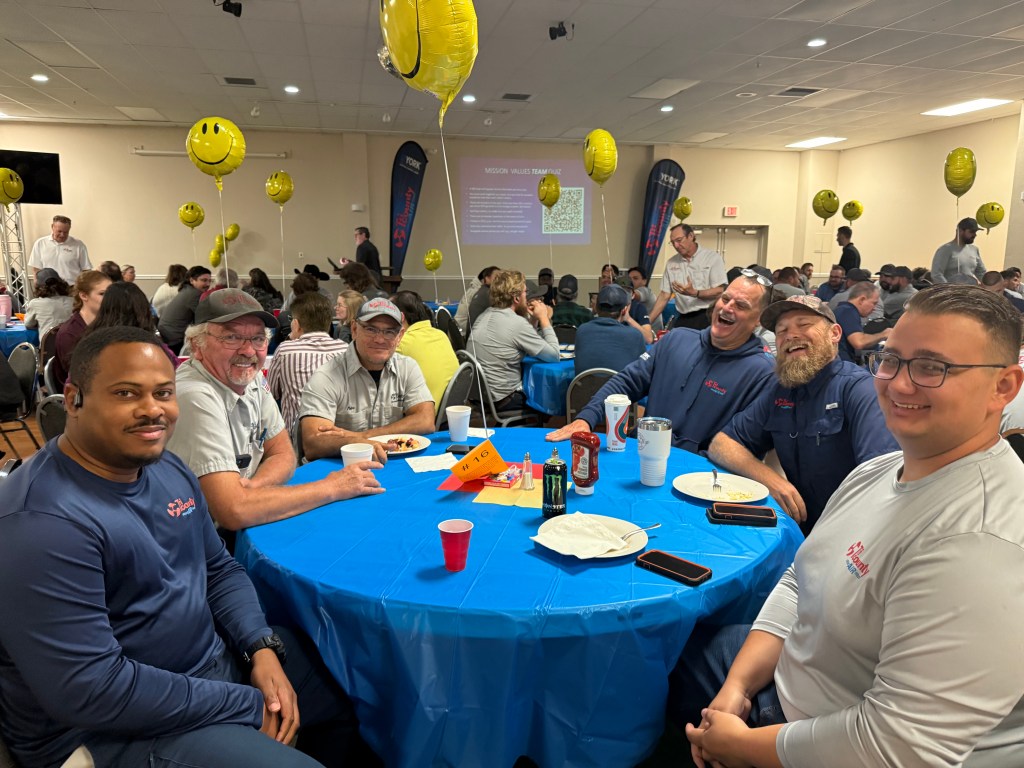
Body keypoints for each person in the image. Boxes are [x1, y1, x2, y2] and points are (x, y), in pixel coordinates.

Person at [678, 284, 1024, 768]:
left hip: (819, 736)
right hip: (792, 676)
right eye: (892, 360)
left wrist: (737, 744)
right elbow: (800, 580)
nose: (900, 385)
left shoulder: (982, 542)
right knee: (667, 648)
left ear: (1004, 386)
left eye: (932, 367)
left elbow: (895, 747)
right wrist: (735, 688)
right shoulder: (878, 472)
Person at [0, 326, 373, 768]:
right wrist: (245, 704)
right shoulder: (42, 523)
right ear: (74, 399)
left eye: (163, 393)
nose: (151, 410)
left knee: (354, 683)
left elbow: (218, 570)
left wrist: (261, 647)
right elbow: (93, 690)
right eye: (126, 393)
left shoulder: (167, 469)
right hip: (108, 732)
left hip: (207, 672)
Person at [167, 289, 384, 532]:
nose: (248, 351)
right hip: (201, 540)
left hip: (244, 519)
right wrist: (333, 486)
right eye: (231, 337)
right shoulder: (194, 395)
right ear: (196, 345)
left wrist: (252, 488)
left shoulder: (251, 378)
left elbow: (283, 453)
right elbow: (234, 512)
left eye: (258, 338)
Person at [708, 295, 897, 534]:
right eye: (781, 330)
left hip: (849, 536)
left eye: (803, 325)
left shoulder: (859, 390)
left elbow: (881, 482)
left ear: (835, 334)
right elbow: (721, 444)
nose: (790, 335)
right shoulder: (780, 391)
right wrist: (772, 481)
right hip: (797, 529)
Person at [548, 272, 775, 454]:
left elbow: (743, 446)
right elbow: (626, 382)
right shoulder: (676, 340)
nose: (727, 307)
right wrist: (586, 419)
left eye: (741, 305)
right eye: (725, 299)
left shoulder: (762, 373)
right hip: (642, 455)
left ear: (759, 319)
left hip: (700, 475)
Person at [299, 298, 434, 463]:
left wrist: (362, 437)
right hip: (341, 468)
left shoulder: (407, 367)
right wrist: (359, 442)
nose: (380, 339)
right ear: (354, 329)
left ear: (400, 336)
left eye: (389, 332)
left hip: (391, 465)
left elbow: (426, 420)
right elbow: (313, 443)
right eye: (371, 329)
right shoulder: (327, 376)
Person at [470, 271, 560, 409]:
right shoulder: (516, 323)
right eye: (525, 292)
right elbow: (554, 355)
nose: (526, 296)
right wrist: (544, 318)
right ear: (516, 298)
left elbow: (522, 342)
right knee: (549, 397)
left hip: (479, 398)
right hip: (503, 399)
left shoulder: (484, 315)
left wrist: (534, 320)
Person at [267, 292, 347, 433]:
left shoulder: (285, 351)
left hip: (296, 437)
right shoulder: (345, 349)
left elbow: (271, 393)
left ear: (296, 324)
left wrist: (291, 338)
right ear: (329, 324)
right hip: (340, 434)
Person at [391, 290, 459, 414]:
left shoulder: (402, 342)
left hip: (424, 414)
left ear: (401, 317)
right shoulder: (441, 335)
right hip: (449, 412)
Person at [649, 223, 727, 330]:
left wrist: (695, 293)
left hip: (708, 316)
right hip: (684, 317)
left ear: (690, 236)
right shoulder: (671, 263)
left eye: (679, 240)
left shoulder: (712, 258)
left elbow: (720, 290)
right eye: (673, 243)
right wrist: (647, 323)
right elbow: (664, 295)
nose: (676, 246)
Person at [85, 281, 179, 368]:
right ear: (144, 310)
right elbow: (175, 368)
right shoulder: (153, 347)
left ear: (104, 308)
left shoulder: (90, 341)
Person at [52, 269, 112, 387]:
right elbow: (78, 376)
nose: (109, 298)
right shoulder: (69, 333)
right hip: (79, 392)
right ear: (84, 296)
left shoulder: (108, 324)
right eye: (102, 294)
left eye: (110, 294)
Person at [574, 284, 647, 375]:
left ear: (596, 307)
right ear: (624, 310)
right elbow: (643, 370)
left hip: (585, 384)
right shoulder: (635, 335)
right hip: (621, 384)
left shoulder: (582, 331)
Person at [157, 265, 213, 354]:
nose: (208, 284)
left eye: (210, 281)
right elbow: (205, 318)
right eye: (204, 280)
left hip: (167, 332)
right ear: (192, 280)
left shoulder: (187, 289)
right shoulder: (194, 294)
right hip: (175, 337)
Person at [835, 281, 890, 362]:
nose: (874, 308)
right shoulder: (847, 311)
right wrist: (884, 334)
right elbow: (859, 342)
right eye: (874, 303)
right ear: (862, 300)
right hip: (842, 364)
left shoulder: (843, 309)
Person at [28, 214, 91, 283]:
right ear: (52, 227)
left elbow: (86, 269)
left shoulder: (78, 245)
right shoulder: (40, 243)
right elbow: (36, 269)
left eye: (66, 232)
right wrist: (37, 285)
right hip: (48, 286)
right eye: (59, 231)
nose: (62, 235)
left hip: (71, 286)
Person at [931, 216, 986, 284]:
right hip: (951, 290)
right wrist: (950, 288)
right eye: (971, 231)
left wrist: (990, 285)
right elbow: (936, 274)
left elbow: (981, 273)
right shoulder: (945, 249)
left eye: (975, 232)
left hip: (970, 290)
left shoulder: (974, 250)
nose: (975, 235)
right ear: (960, 231)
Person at [23, 267, 73, 339]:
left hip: (48, 344)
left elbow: (28, 324)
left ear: (38, 287)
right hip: (73, 344)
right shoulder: (73, 301)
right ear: (62, 283)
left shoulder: (35, 303)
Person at [456, 265, 499, 335]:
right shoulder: (479, 293)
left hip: (462, 328)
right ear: (487, 279)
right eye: (497, 277)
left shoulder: (474, 289)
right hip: (464, 330)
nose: (500, 281)